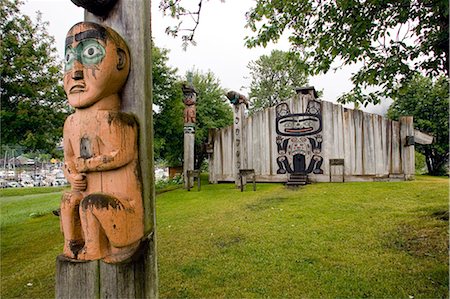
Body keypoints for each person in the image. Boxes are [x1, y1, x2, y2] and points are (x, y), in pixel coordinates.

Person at [60, 22, 143, 263]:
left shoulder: (117, 120)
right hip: (89, 196)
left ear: (119, 60)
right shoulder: (70, 124)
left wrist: (88, 164)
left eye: (89, 54)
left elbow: (123, 154)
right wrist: (72, 174)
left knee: (91, 204)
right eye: (68, 58)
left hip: (121, 212)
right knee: (69, 200)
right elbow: (68, 159)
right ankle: (73, 244)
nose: (75, 71)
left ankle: (95, 249)